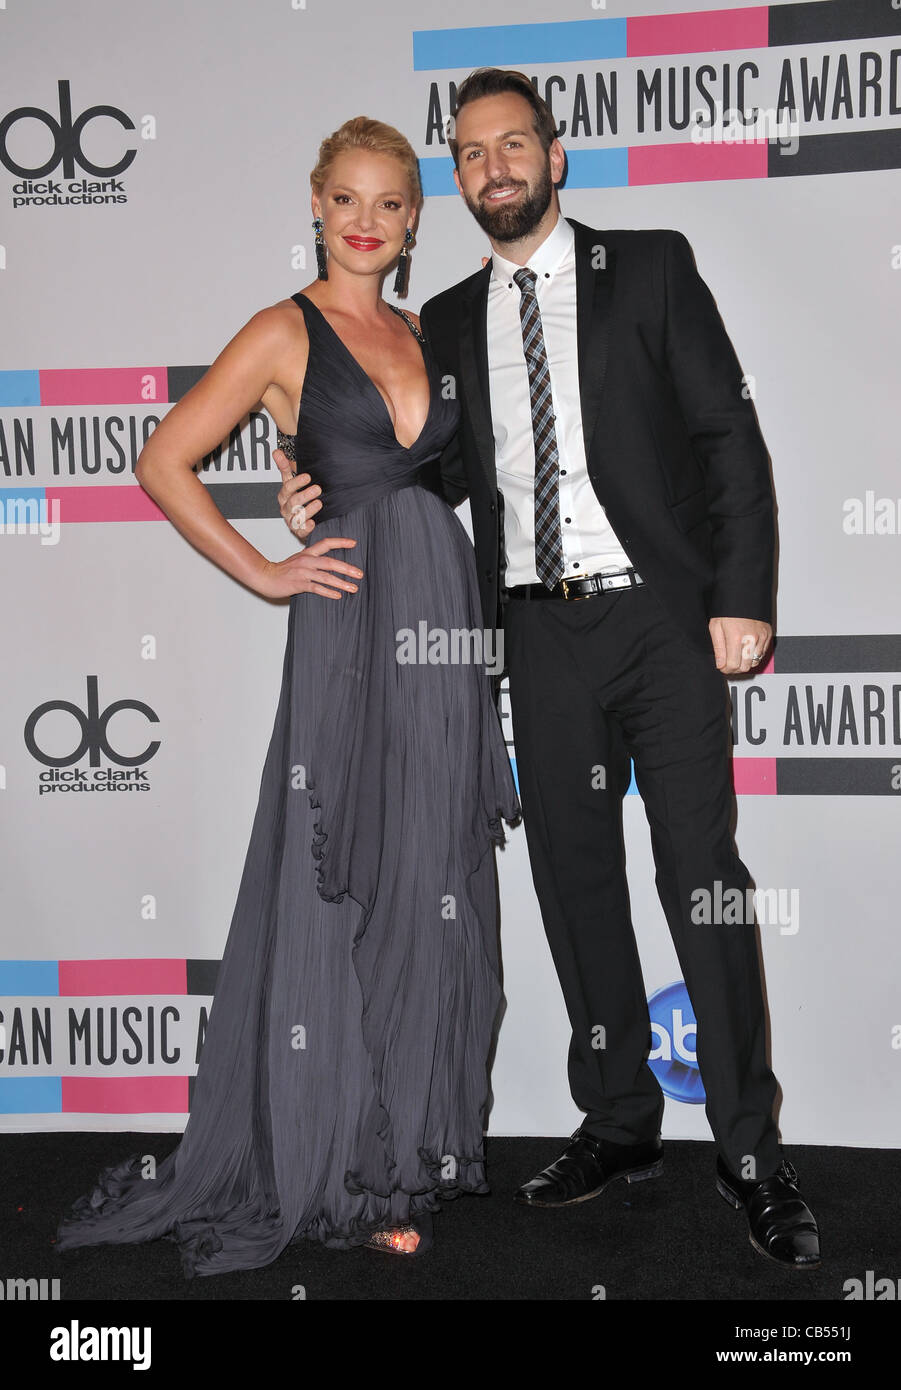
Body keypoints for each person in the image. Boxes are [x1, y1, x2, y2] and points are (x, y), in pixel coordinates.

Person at [277, 69, 820, 1270]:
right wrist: (301, 470)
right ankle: (621, 1116)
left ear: (556, 156)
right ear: (456, 181)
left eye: (513, 143)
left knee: (699, 876)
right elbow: (420, 464)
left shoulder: (654, 267)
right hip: (535, 636)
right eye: (471, 154)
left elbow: (729, 434)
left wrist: (740, 600)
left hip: (661, 628)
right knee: (575, 887)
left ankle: (749, 1147)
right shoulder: (453, 319)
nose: (495, 167)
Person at [55, 116, 520, 1276]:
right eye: (348, 200)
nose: (368, 221)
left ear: (416, 223)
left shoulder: (426, 332)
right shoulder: (281, 330)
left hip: (444, 628)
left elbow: (454, 481)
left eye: (393, 204)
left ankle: (404, 1150)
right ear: (317, 205)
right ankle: (336, 1171)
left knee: (430, 883)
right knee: (340, 880)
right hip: (351, 627)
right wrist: (269, 563)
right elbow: (163, 457)